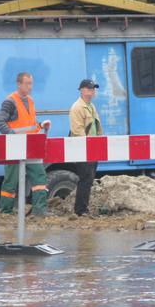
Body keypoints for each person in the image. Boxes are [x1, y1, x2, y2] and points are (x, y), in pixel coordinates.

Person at [0, 72, 50, 216]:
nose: (29, 86)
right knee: (11, 181)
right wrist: (13, 137)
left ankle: (39, 211)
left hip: (30, 146)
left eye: (31, 83)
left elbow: (29, 125)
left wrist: (40, 126)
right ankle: (6, 212)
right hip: (15, 147)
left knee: (39, 177)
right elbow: (0, 122)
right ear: (19, 84)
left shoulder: (30, 100)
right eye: (27, 83)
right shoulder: (10, 101)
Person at [69, 79, 104, 216]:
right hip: (83, 149)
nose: (92, 92)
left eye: (93, 90)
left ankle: (83, 208)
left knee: (89, 179)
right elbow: (78, 131)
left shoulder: (91, 106)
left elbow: (96, 126)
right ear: (82, 90)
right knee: (85, 179)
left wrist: (100, 142)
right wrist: (88, 148)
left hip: (92, 148)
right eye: (89, 89)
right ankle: (80, 210)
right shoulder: (77, 108)